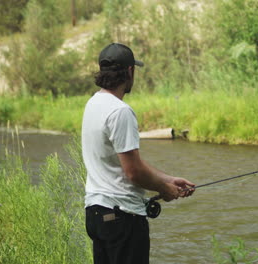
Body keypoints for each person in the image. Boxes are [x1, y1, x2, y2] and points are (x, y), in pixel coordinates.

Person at [82, 43, 195, 264]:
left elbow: (128, 163)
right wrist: (165, 189)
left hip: (96, 215)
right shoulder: (120, 111)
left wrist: (168, 179)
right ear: (130, 72)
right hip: (122, 218)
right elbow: (133, 172)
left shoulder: (93, 103)